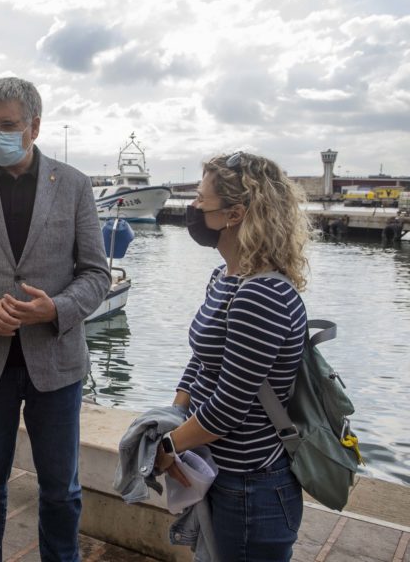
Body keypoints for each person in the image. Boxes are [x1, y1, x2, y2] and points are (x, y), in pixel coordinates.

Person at [0, 77, 111, 562]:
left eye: (6, 125)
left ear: (34, 125)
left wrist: (58, 308)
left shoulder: (73, 185)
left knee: (61, 492)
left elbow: (96, 274)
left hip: (56, 362)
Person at [155, 152, 310, 562]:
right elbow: (202, 362)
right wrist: (174, 412)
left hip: (251, 487)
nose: (191, 209)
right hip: (221, 473)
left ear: (234, 214)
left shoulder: (260, 294)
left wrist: (167, 445)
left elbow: (229, 408)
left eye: (200, 201)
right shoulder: (225, 278)